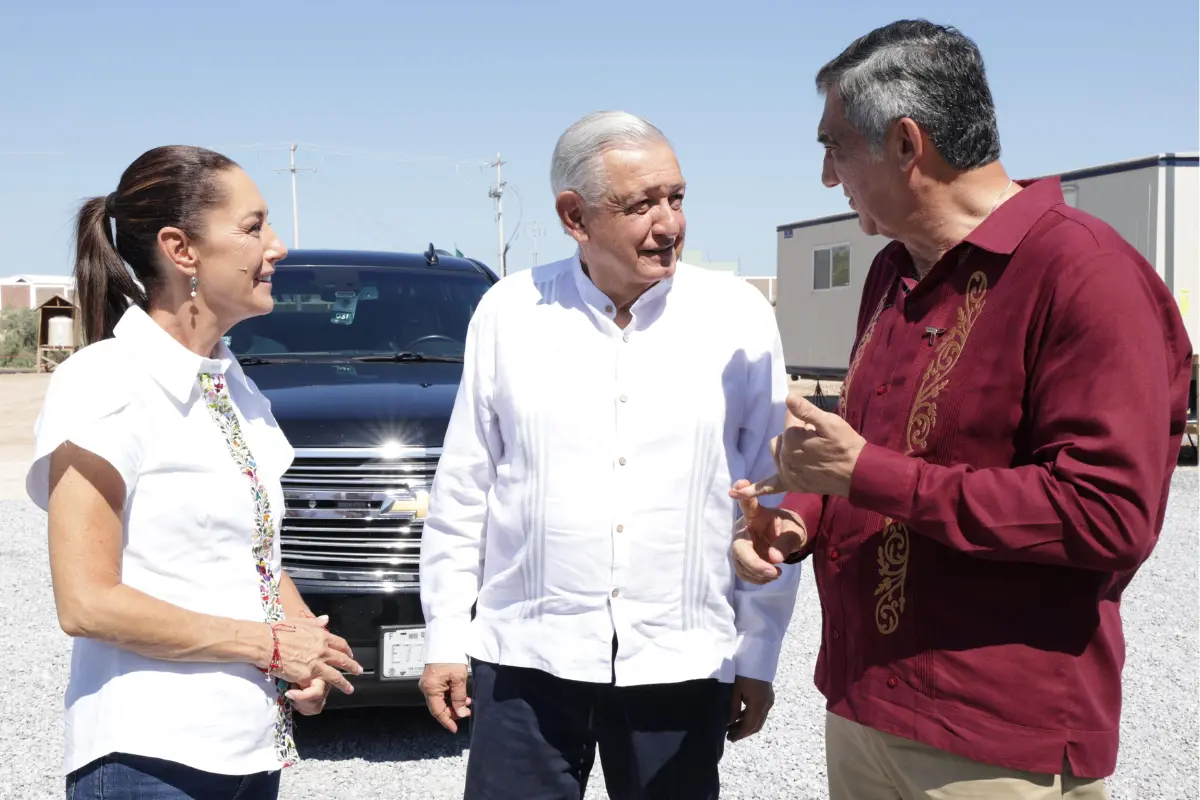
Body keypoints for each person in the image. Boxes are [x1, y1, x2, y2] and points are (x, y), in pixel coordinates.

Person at [731, 19, 1195, 800]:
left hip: (990, 744)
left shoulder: (1085, 275)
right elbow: (867, 451)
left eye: (834, 145)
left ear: (907, 144)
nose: (826, 176)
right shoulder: (892, 275)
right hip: (862, 707)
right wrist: (801, 515)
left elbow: (1108, 514)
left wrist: (868, 474)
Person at [418, 110, 800, 799]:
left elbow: (771, 495)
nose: (670, 223)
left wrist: (758, 653)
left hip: (679, 663)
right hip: (526, 663)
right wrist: (446, 635)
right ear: (574, 215)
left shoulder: (737, 317)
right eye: (641, 204)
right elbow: (464, 490)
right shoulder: (508, 313)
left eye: (676, 198)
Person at [26, 145, 363, 799]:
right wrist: (268, 645)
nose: (278, 246)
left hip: (249, 754)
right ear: (182, 250)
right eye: (253, 226)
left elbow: (251, 553)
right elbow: (87, 601)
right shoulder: (104, 382)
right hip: (148, 761)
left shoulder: (235, 387)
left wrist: (303, 646)